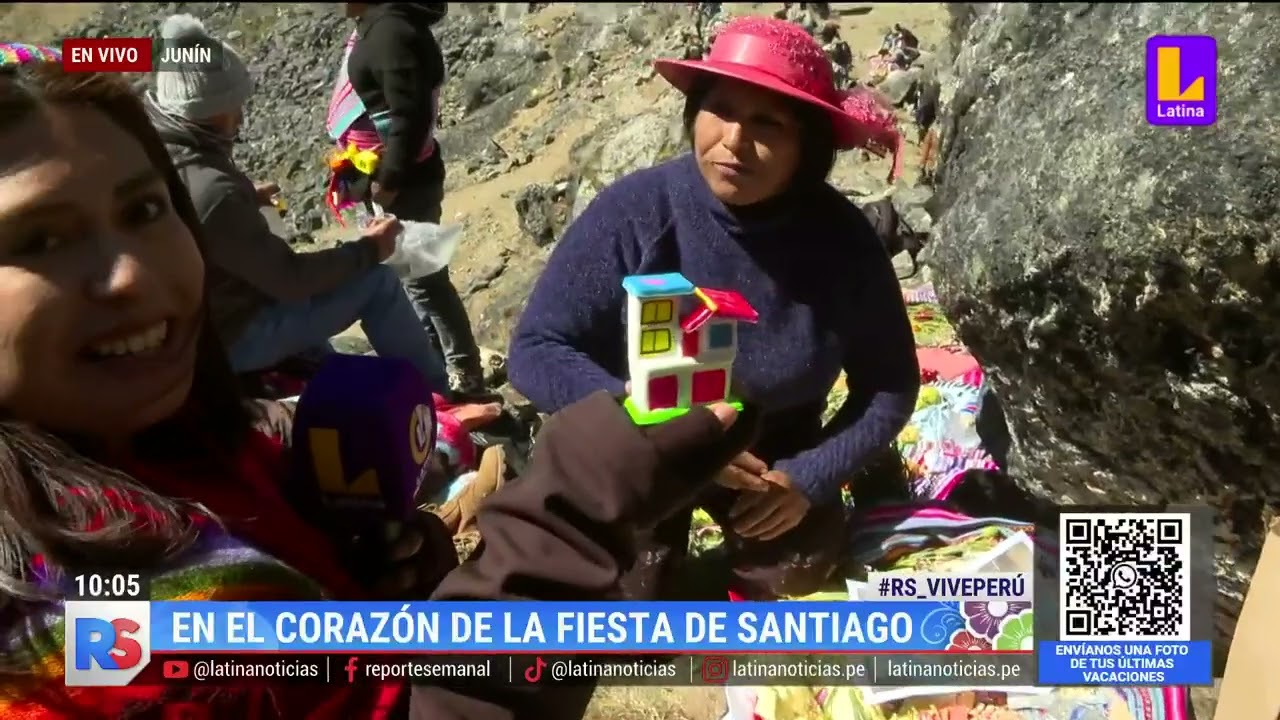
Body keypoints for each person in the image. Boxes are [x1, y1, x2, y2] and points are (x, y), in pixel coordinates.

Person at [0, 56, 759, 720]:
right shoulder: (69, 638)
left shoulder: (197, 438)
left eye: (142, 210)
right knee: (383, 290)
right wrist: (572, 507)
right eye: (38, 241)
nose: (130, 273)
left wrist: (360, 587)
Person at [507, 16, 920, 602]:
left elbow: (889, 383)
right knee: (631, 599)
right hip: (639, 437)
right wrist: (656, 433)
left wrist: (810, 477)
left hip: (769, 454)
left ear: (808, 146)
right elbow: (537, 349)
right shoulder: (635, 213)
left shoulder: (842, 242)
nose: (732, 139)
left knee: (795, 572)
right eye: (720, 109)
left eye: (767, 123)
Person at [143, 14, 454, 395]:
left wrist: (245, 201)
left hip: (205, 324)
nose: (240, 115)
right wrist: (370, 249)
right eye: (234, 105)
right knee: (379, 282)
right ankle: (437, 398)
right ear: (212, 110)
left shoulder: (160, 151)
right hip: (234, 337)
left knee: (320, 312)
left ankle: (325, 377)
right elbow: (290, 280)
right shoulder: (213, 189)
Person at [334, 3, 494, 400]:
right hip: (398, 177)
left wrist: (389, 180)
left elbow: (410, 113)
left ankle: (464, 375)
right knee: (409, 279)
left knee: (425, 281)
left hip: (405, 183)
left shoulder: (390, 32)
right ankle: (435, 366)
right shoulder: (381, 25)